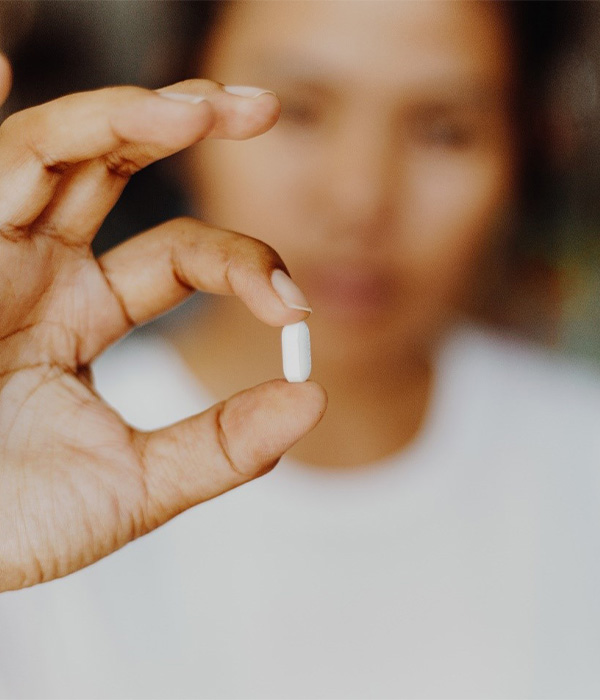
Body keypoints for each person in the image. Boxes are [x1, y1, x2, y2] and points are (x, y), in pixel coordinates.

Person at [1, 1, 600, 698]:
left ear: (531, 147)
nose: (360, 198)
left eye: (444, 131)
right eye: (299, 113)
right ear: (180, 104)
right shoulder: (25, 454)